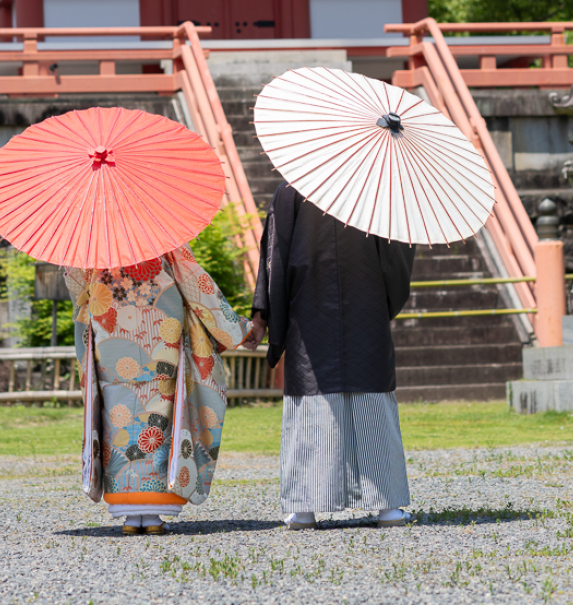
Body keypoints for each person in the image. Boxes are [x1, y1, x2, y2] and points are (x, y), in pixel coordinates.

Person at [246, 182, 415, 530]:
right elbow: (397, 252)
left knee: (311, 402)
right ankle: (388, 507)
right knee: (372, 401)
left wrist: (262, 315)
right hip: (364, 304)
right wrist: (384, 295)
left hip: (308, 310)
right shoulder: (377, 188)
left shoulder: (291, 191)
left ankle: (303, 508)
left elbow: (274, 256)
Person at [65, 246, 253, 535]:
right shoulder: (163, 238)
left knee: (119, 415)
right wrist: (238, 327)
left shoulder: (93, 243)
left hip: (111, 337)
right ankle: (152, 514)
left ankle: (129, 514)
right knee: (159, 412)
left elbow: (76, 286)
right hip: (160, 336)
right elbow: (195, 283)